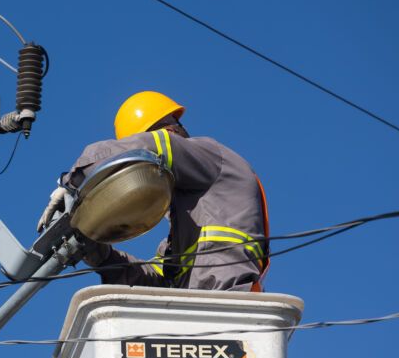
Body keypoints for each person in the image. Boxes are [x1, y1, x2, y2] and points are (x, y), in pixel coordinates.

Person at [37, 91, 270, 292]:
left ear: (170, 130)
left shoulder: (211, 155)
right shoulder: (189, 219)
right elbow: (156, 280)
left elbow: (146, 148)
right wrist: (99, 254)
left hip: (226, 299)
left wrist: (73, 182)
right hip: (199, 313)